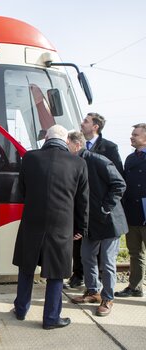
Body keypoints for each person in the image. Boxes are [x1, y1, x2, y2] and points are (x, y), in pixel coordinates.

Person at [12, 125, 89, 330]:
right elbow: (82, 201)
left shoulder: (30, 158)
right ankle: (51, 318)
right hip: (62, 225)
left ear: (46, 138)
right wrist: (80, 227)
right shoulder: (79, 163)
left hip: (32, 221)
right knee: (56, 272)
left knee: (27, 267)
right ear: (65, 141)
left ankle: (21, 310)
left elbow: (21, 191)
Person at [68, 131, 128, 316]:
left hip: (109, 221)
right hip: (90, 223)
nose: (65, 148)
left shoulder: (97, 160)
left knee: (108, 262)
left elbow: (120, 184)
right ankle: (93, 292)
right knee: (86, 257)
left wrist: (105, 208)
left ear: (77, 145)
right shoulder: (73, 164)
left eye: (67, 144)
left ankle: (108, 298)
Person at [115, 123, 146, 298]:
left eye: (135, 134)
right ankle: (135, 287)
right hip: (132, 214)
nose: (132, 137)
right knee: (135, 252)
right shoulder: (130, 159)